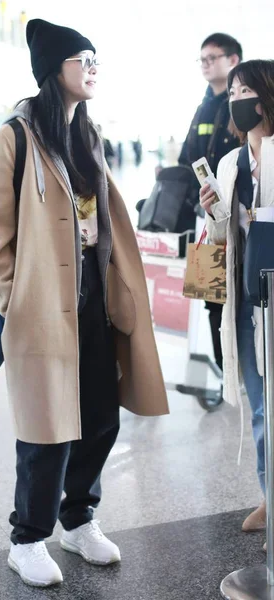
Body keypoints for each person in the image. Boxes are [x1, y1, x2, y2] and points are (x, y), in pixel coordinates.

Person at [0, 18, 169, 588]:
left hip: (93, 297)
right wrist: (14, 299)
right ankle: (27, 538)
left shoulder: (90, 132)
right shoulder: (15, 135)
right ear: (53, 69)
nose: (92, 69)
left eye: (94, 59)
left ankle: (78, 518)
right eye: (83, 59)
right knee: (46, 426)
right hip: (40, 302)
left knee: (100, 415)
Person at [200, 59, 274, 544]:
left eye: (245, 89)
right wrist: (214, 212)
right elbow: (219, 238)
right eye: (232, 92)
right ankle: (271, 495)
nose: (237, 99)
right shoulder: (228, 162)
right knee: (259, 404)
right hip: (246, 301)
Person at [179, 33, 243, 374]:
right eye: (201, 58)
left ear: (233, 60)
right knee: (212, 297)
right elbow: (187, 156)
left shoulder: (244, 108)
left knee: (244, 296)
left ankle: (247, 365)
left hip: (242, 218)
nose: (205, 64)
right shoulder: (202, 106)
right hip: (206, 221)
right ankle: (225, 371)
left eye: (212, 57)